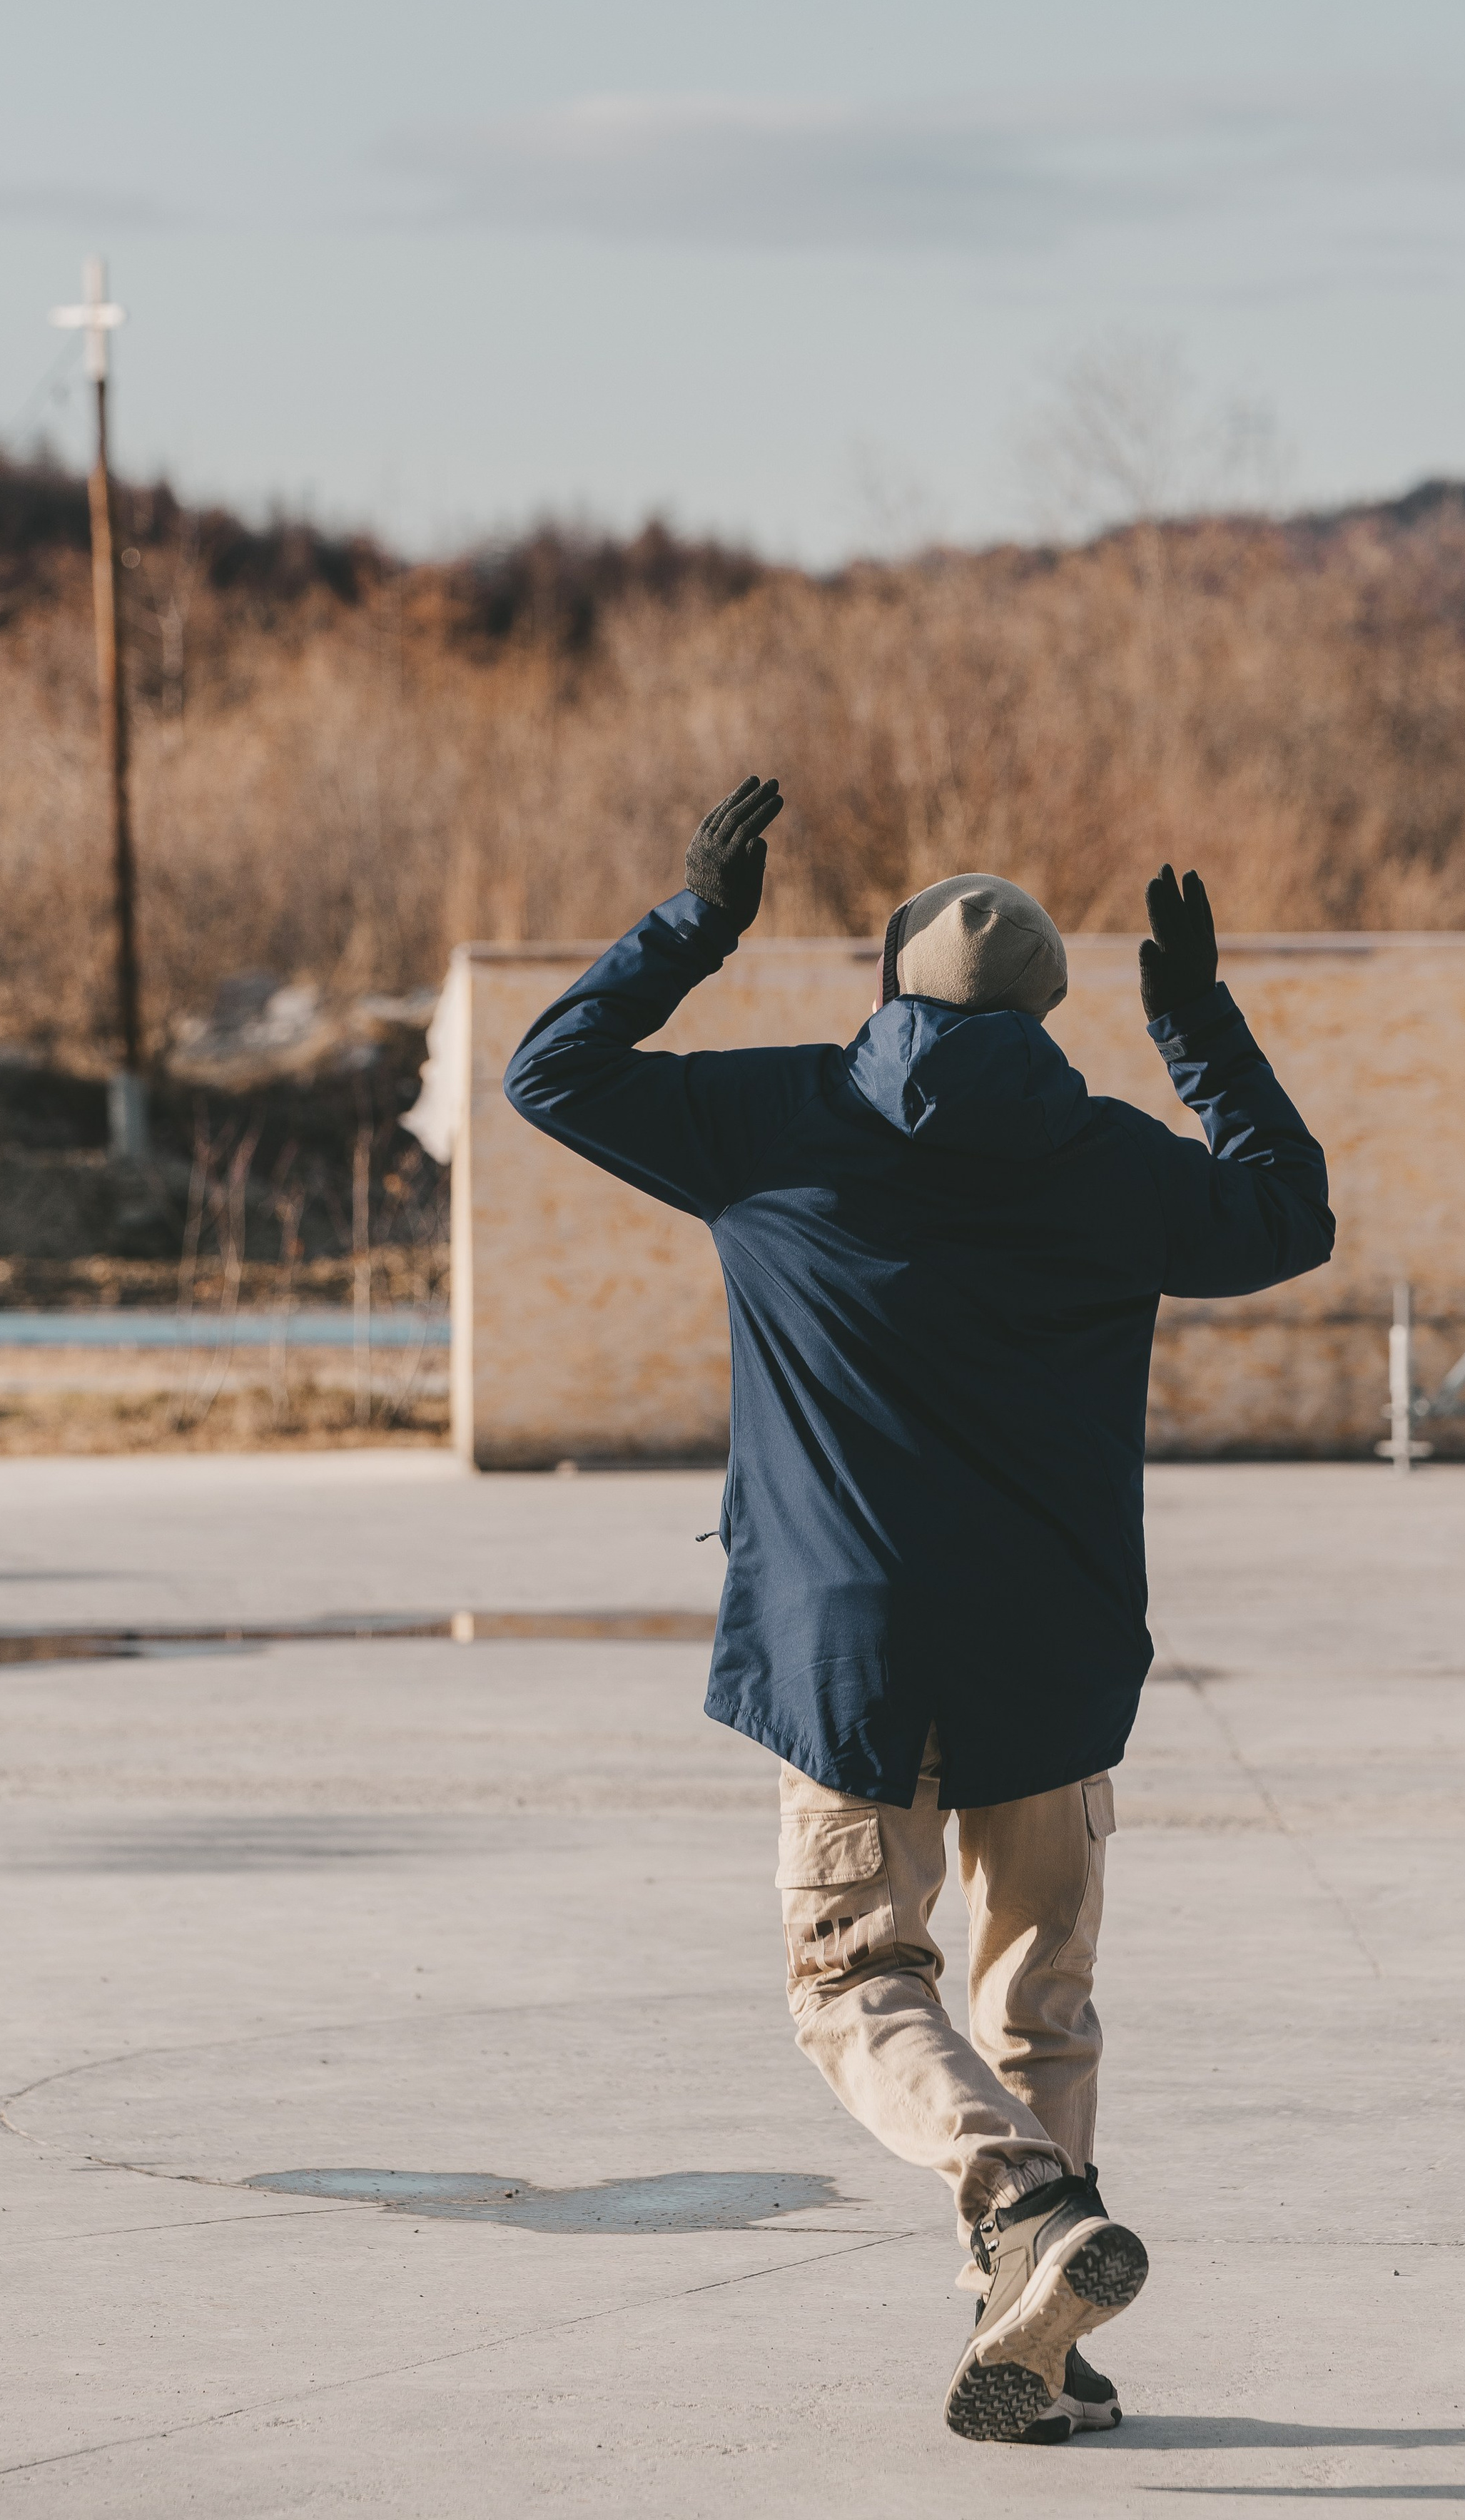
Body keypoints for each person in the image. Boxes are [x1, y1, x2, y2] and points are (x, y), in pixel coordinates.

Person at [503, 776, 1334, 2445]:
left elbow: (549, 1075)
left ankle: (1023, 2208)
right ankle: (1038, 2333)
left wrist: (696, 924)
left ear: (883, 990)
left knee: (854, 1978)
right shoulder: (1108, 1162)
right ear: (1045, 1011)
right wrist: (1198, 1024)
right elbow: (1286, 1212)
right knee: (1039, 1999)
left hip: (847, 1656)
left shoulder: (775, 1120)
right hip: (1054, 1646)